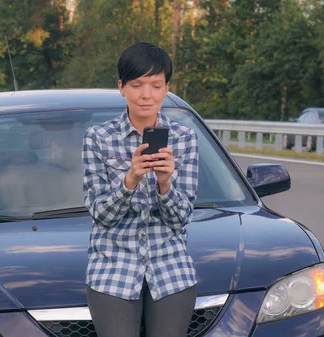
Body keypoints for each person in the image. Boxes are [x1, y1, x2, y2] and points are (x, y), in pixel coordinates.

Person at [82, 42, 199, 337]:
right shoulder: (98, 138)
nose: (146, 94)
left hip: (171, 268)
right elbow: (100, 215)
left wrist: (165, 183)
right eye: (137, 85)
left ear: (166, 88)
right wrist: (130, 179)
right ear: (122, 87)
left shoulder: (184, 138)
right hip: (112, 268)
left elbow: (181, 218)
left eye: (156, 85)